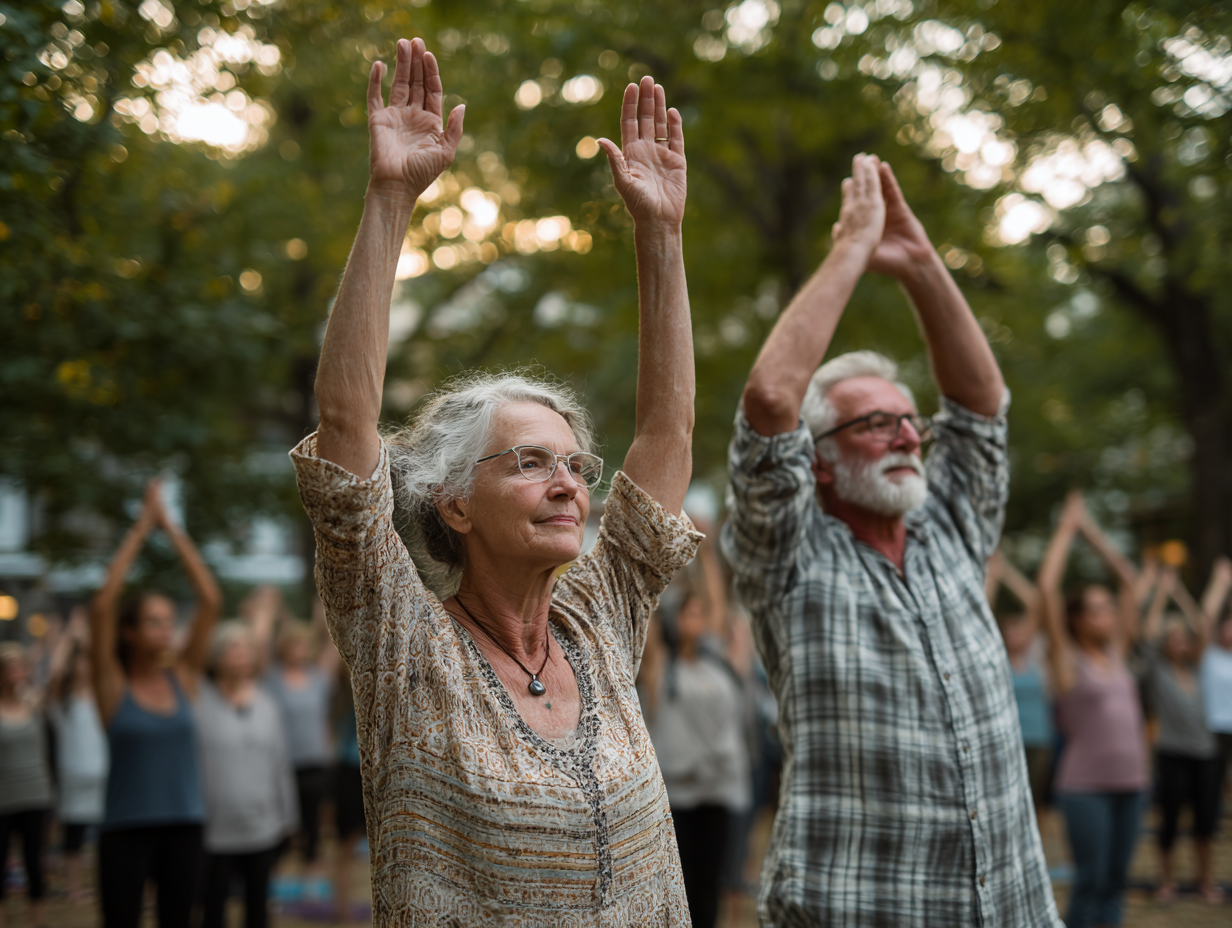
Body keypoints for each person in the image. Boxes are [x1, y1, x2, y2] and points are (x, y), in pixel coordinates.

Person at [291, 37, 699, 925]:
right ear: (453, 504)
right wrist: (391, 197)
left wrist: (662, 235)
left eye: (574, 465)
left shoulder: (598, 622)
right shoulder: (404, 644)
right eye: (528, 462)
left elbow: (667, 435)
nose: (567, 485)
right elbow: (347, 428)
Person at [721, 153, 1059, 926]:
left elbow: (980, 404)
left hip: (1009, 909)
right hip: (859, 910)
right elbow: (772, 397)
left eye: (912, 421)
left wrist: (917, 262)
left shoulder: (951, 529)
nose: (909, 435)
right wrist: (853, 248)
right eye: (877, 423)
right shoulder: (790, 557)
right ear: (822, 463)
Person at [90, 479, 221, 928]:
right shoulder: (111, 686)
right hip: (125, 829)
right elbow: (103, 606)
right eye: (152, 622)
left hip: (184, 825)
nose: (165, 629)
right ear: (129, 632)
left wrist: (172, 528)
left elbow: (210, 600)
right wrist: (142, 529)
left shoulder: (182, 678)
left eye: (168, 621)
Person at [1037, 491, 1149, 928]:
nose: (1110, 614)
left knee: (1117, 881)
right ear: (1078, 619)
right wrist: (1066, 531)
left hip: (1134, 784)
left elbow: (1127, 578)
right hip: (1085, 788)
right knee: (1091, 881)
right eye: (1099, 609)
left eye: (1109, 608)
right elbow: (1047, 588)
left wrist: (1093, 532)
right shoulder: (1066, 663)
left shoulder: (1118, 653)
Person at [641, 531, 751, 928]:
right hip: (676, 798)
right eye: (688, 613)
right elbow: (648, 617)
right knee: (678, 892)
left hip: (719, 791)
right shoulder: (660, 668)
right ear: (672, 619)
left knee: (710, 889)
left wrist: (706, 552)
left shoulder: (716, 662)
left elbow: (717, 603)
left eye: (699, 614)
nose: (698, 620)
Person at [197, 622, 298, 928]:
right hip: (213, 829)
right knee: (212, 910)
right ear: (215, 656)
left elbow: (280, 763)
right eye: (232, 646)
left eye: (246, 647)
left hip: (262, 825)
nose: (241, 653)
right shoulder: (199, 702)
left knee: (258, 909)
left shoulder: (268, 705)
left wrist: (288, 817)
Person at [1140, 565, 1225, 903]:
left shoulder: (1199, 666)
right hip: (1172, 753)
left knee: (1206, 822)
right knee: (1171, 821)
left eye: (1184, 637)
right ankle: (1167, 882)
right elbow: (1147, 632)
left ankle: (1205, 882)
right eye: (1175, 637)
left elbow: (1202, 623)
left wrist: (1181, 593)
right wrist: (1163, 591)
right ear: (1166, 642)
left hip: (1207, 753)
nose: (1181, 642)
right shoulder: (1156, 670)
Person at [262, 598, 339, 892]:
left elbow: (332, 645)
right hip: (281, 764)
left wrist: (324, 615)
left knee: (312, 823)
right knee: (282, 823)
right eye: (292, 644)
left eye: (302, 645)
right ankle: (274, 875)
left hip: (315, 763)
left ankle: (310, 877)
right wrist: (269, 616)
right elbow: (260, 645)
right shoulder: (272, 679)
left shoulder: (319, 678)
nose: (298, 650)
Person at [46, 608, 109, 905]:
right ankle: (72, 889)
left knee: (106, 838)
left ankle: (102, 887)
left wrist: (89, 633)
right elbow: (55, 673)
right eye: (81, 660)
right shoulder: (63, 702)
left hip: (105, 774)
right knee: (74, 836)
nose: (86, 665)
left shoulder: (102, 697)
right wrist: (71, 635)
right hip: (74, 775)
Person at [985, 550, 1055, 818]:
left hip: (1040, 740)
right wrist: (991, 579)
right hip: (1006, 740)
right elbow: (982, 609)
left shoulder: (1037, 656)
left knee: (1038, 804)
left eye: (1021, 627)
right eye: (1010, 629)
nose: (1017, 633)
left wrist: (1006, 573)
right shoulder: (995, 655)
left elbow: (1036, 603)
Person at [0, 642, 53, 928]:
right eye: (12, 666)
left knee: (35, 864)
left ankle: (38, 923)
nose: (18, 671)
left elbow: (55, 676)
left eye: (21, 665)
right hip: (3, 798)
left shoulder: (34, 702)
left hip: (35, 795)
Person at [1199, 556, 1232, 825]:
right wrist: (1220, 583)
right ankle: (1216, 818)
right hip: (1214, 725)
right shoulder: (1209, 655)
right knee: (1215, 778)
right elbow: (1207, 615)